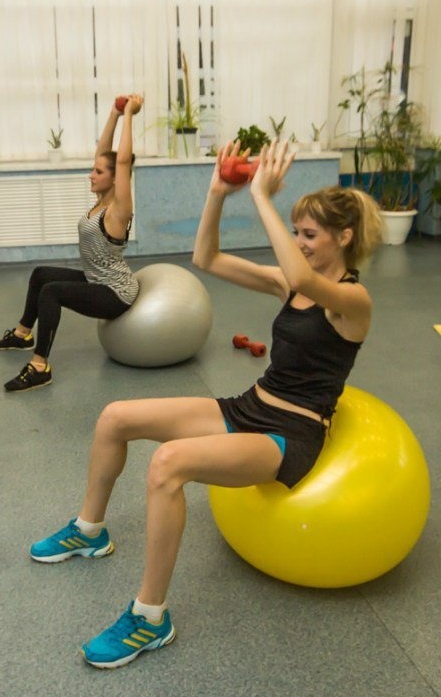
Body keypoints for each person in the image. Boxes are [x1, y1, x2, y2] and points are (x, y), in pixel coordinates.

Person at [28, 140, 382, 668]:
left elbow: (308, 278)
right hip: (250, 406)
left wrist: (261, 195)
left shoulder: (353, 302)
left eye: (308, 234)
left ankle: (150, 618)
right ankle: (89, 532)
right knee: (115, 417)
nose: (299, 244)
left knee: (168, 464)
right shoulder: (290, 286)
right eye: (298, 233)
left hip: (291, 435)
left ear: (344, 238)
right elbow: (206, 258)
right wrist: (218, 193)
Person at [0, 94, 143, 391]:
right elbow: (106, 152)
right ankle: (23, 334)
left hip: (115, 293)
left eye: (98, 172)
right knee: (41, 274)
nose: (91, 175)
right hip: (95, 279)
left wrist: (130, 116)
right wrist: (114, 113)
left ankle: (39, 366)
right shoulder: (101, 201)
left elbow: (122, 161)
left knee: (52, 292)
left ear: (115, 180)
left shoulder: (118, 210)